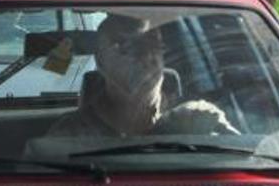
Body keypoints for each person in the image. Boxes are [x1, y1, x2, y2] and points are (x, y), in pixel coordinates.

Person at [49, 14, 236, 138]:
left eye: (153, 45)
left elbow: (250, 161)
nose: (144, 56)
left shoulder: (196, 120)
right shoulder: (67, 136)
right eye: (124, 47)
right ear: (101, 61)